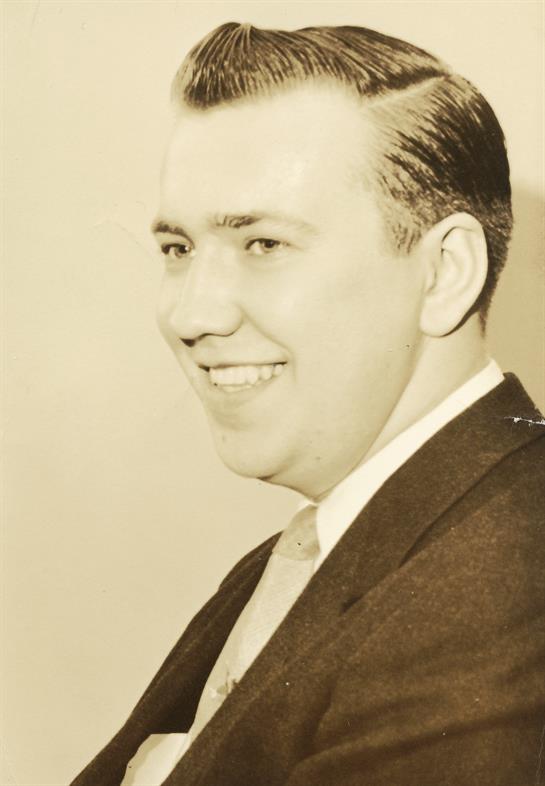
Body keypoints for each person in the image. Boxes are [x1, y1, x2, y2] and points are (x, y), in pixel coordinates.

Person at [71, 22, 545, 786]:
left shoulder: (504, 582)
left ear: (444, 273)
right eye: (177, 249)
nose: (190, 314)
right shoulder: (320, 550)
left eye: (262, 245)